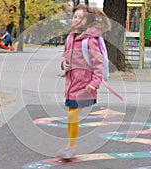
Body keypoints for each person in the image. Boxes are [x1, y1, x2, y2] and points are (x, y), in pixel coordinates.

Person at [58, 4, 111, 159]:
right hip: (71, 84)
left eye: (80, 17)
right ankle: (71, 145)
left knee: (72, 115)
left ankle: (71, 147)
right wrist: (64, 64)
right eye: (75, 16)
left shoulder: (90, 41)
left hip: (85, 86)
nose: (76, 20)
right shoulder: (70, 38)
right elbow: (65, 56)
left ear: (87, 21)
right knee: (71, 115)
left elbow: (99, 64)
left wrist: (94, 84)